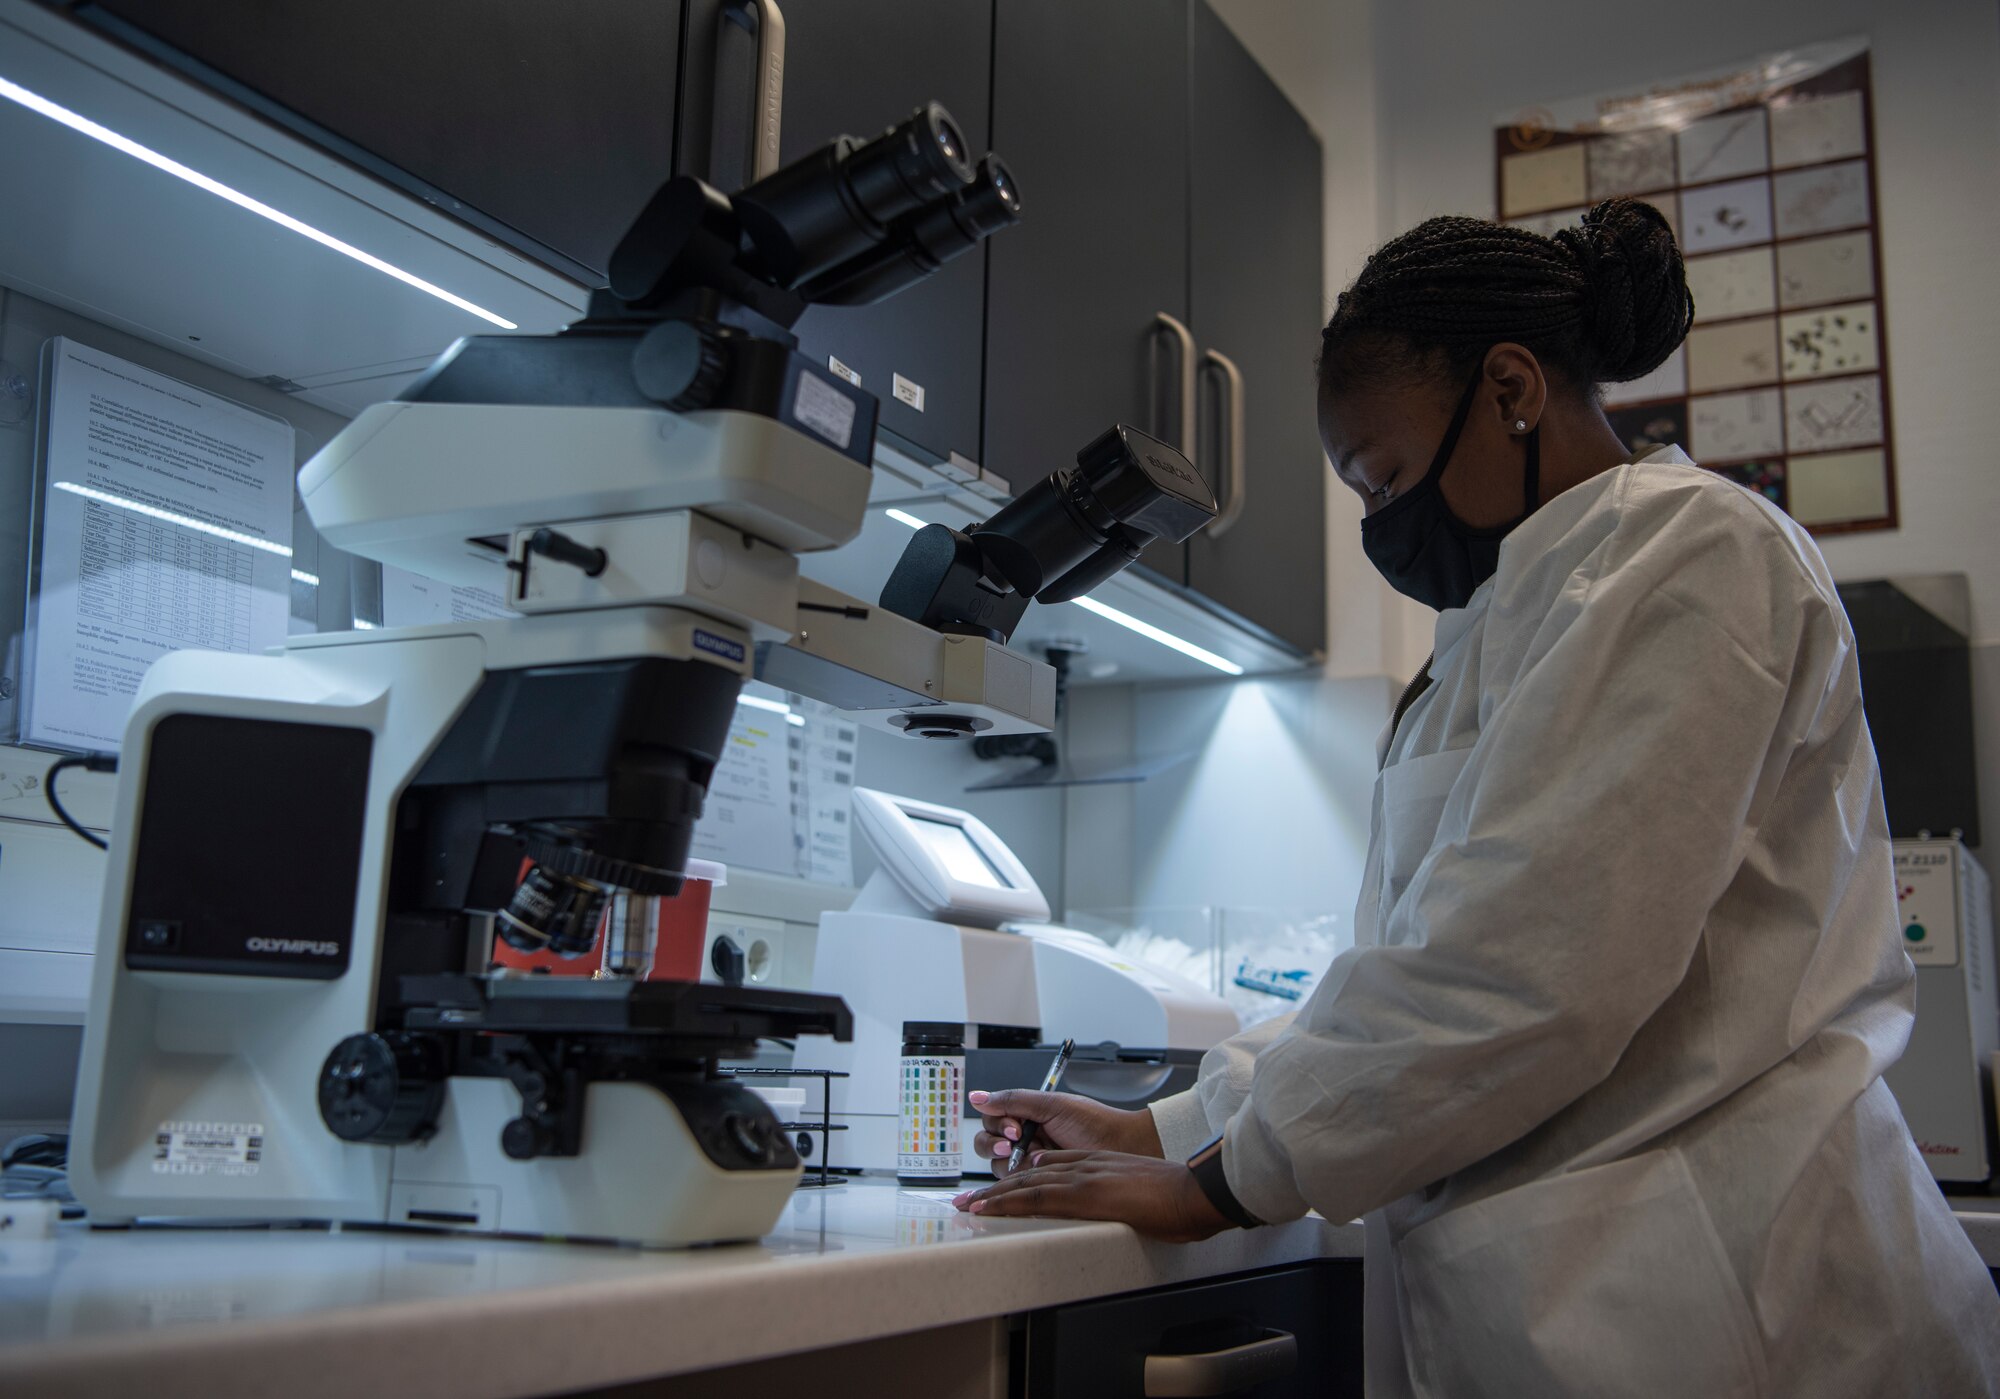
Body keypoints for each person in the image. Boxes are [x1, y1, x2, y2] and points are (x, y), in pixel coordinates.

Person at [954, 199, 2000, 1396]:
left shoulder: (1691, 556)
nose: (1380, 526)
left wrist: (1219, 1180)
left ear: (1509, 389)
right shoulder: (1500, 624)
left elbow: (1523, 969)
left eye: (1385, 476)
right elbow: (1421, 957)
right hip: (1600, 1302)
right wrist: (1173, 1122)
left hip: (1739, 1301)